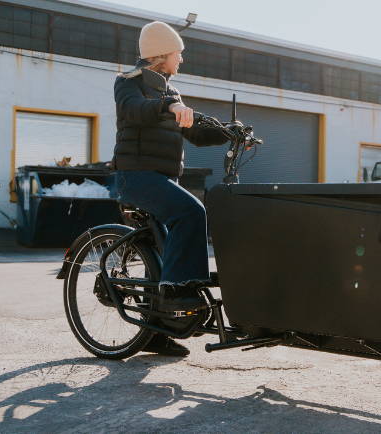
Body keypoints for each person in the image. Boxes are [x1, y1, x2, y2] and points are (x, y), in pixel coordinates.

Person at [111, 21, 228, 356]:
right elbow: (135, 111)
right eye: (179, 53)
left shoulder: (170, 93)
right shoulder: (128, 83)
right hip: (136, 176)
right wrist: (169, 107)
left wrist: (229, 132)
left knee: (165, 250)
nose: (182, 60)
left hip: (162, 179)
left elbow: (196, 133)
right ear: (161, 55)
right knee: (191, 211)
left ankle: (157, 331)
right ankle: (177, 293)